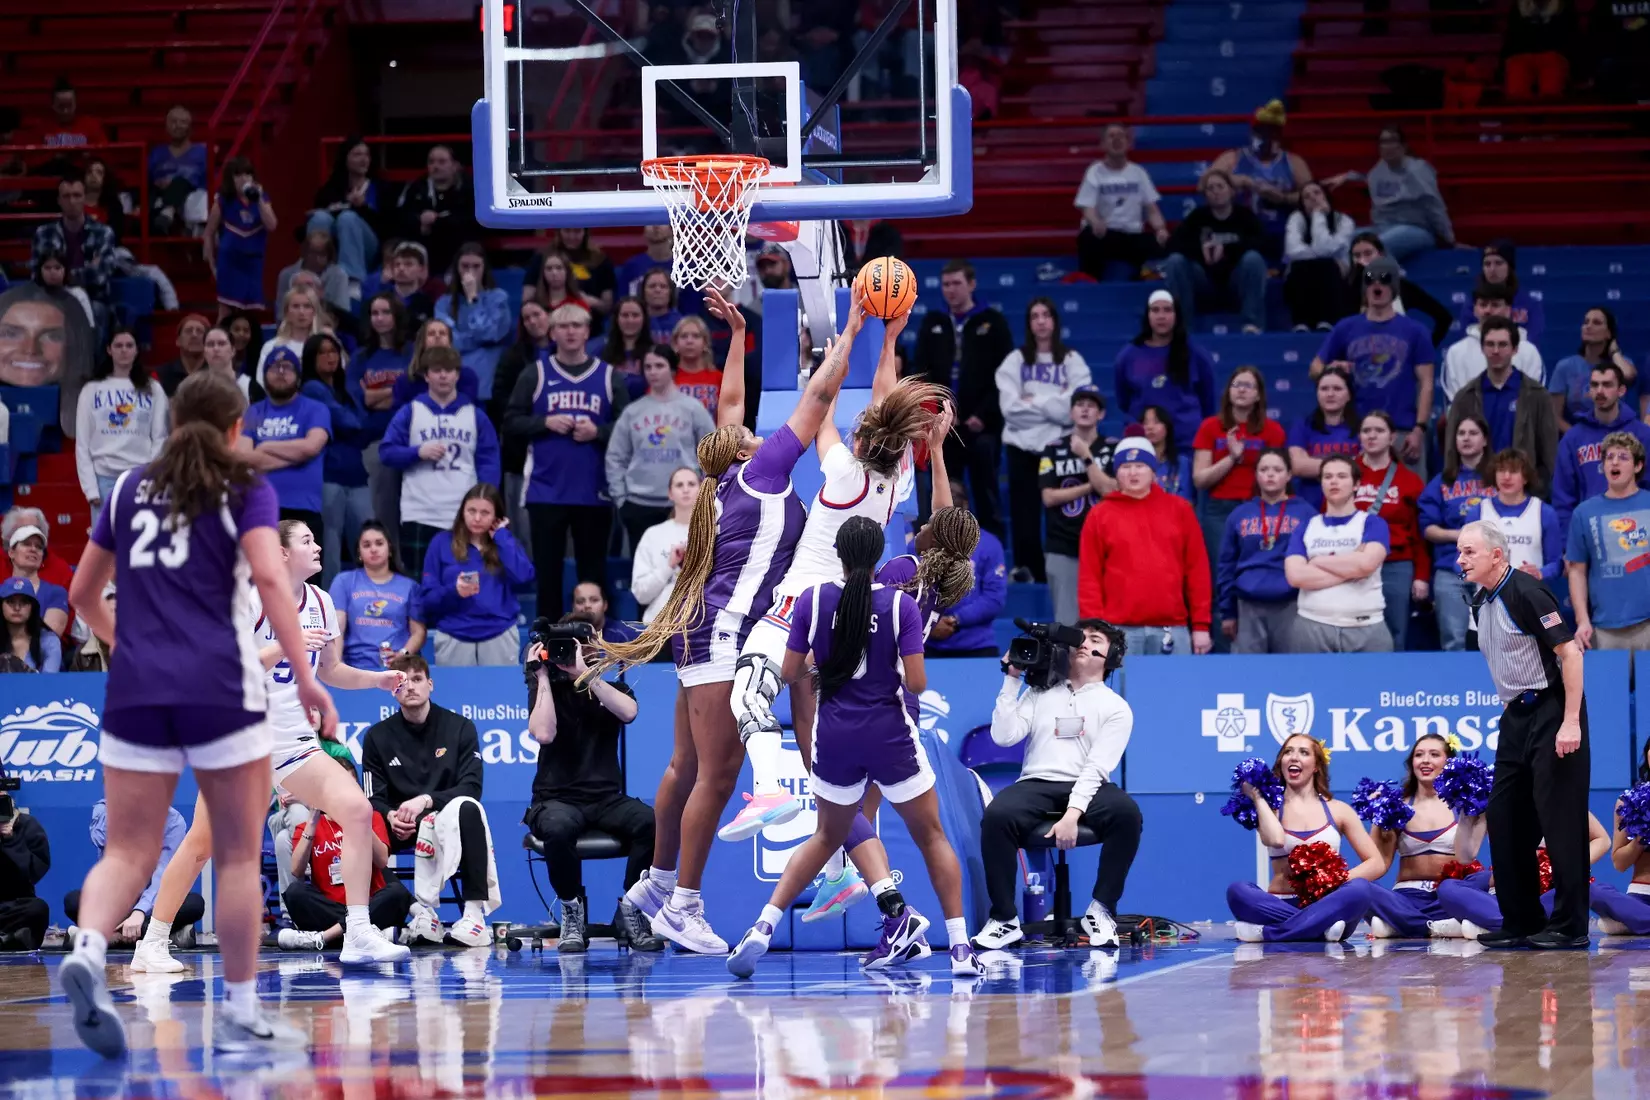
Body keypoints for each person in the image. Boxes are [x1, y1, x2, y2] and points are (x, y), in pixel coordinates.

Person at [58, 372, 338, 1055]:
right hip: (221, 684)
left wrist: (130, 645)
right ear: (236, 428)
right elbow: (274, 581)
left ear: (173, 422)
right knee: (239, 855)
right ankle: (242, 1009)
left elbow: (80, 595)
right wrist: (306, 677)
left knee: (129, 849)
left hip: (137, 686)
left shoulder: (125, 488)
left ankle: (89, 953)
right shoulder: (247, 487)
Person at [591, 289, 864, 957]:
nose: (753, 429)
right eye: (748, 435)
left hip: (707, 629)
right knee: (717, 774)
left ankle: (655, 886)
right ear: (743, 452)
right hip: (723, 632)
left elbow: (729, 411)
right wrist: (852, 329)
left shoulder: (724, 482)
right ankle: (684, 905)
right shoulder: (764, 474)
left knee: (686, 766)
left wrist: (739, 335)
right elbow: (816, 403)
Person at [719, 316, 943, 925]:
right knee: (826, 772)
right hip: (843, 627)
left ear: (866, 442)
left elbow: (819, 415)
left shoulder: (844, 475)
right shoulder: (897, 477)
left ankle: (767, 786)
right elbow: (883, 403)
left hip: (802, 607)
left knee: (747, 694)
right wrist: (890, 342)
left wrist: (850, 335)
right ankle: (850, 877)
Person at [724, 516, 985, 979]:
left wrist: (828, 663)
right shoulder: (902, 605)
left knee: (827, 836)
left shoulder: (813, 599)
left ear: (838, 554)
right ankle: (961, 949)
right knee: (932, 837)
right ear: (879, 555)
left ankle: (762, 928)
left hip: (836, 735)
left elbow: (789, 674)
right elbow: (918, 683)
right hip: (890, 732)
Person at [1455, 520, 1591, 949]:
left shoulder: (1528, 593)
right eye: (1459, 552)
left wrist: (1570, 722)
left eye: (1469, 552)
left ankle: (1571, 927)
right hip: (1516, 716)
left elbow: (1570, 654)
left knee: (1560, 820)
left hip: (1553, 711)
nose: (1460, 560)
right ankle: (1522, 920)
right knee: (1504, 816)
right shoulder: (1479, 601)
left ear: (1497, 555)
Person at [975, 619, 1139, 950]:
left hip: (1088, 786)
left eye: (1095, 639)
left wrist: (1071, 815)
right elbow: (1003, 736)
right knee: (997, 816)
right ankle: (1005, 918)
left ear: (1111, 656)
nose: (1083, 642)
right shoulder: (1039, 693)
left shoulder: (1116, 707)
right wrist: (1012, 678)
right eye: (1080, 636)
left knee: (1127, 815)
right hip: (1036, 782)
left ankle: (1101, 909)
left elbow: (1096, 768)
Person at [525, 619, 663, 953]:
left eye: (581, 647)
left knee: (652, 821)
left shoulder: (611, 686)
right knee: (557, 828)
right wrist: (541, 677)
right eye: (567, 647)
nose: (572, 653)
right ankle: (572, 911)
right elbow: (544, 734)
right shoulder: (545, 688)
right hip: (555, 798)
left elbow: (628, 713)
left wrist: (585, 673)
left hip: (605, 798)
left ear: (594, 650)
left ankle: (631, 906)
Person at [361, 653, 498, 945]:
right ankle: (418, 912)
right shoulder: (376, 737)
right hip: (398, 824)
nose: (409, 686)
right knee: (361, 829)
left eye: (417, 679)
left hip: (444, 817)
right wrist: (389, 816)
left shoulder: (460, 727)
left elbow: (472, 787)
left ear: (430, 684)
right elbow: (372, 797)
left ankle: (474, 916)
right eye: (401, 681)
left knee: (470, 809)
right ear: (391, 688)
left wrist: (425, 801)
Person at [506, 303, 631, 623]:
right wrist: (544, 422)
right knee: (548, 573)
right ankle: (547, 641)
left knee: (593, 572)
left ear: (588, 331)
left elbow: (627, 426)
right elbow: (510, 421)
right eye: (564, 326)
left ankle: (599, 640)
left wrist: (598, 431)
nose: (571, 331)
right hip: (546, 490)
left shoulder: (607, 376)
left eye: (577, 325)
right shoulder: (535, 373)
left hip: (594, 490)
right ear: (553, 333)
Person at [1226, 735, 1382, 942]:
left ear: (1317, 765)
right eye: (1288, 752)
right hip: (1281, 904)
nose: (1293, 757)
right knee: (1237, 891)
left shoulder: (1339, 811)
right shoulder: (1270, 808)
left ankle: (1268, 933)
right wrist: (1257, 798)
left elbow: (1376, 862)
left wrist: (1333, 882)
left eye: (1303, 752)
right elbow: (1275, 840)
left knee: (1360, 890)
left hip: (1328, 905)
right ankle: (1319, 928)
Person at [1078, 436, 1212, 656]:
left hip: (1172, 627)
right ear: (1116, 473)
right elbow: (1089, 577)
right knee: (1120, 692)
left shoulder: (1180, 511)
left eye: (1140, 466)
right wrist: (1094, 629)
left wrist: (1201, 625)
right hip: (1116, 630)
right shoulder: (1099, 515)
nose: (1133, 473)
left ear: (1153, 471)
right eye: (1126, 466)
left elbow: (1197, 571)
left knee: (1175, 691)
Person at [908, 260, 1014, 533]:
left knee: (985, 495)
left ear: (971, 284)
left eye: (956, 283)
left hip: (982, 427)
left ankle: (993, 555)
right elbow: (921, 373)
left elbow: (1006, 375)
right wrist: (936, 414)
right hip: (944, 426)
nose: (950, 290)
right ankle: (943, 553)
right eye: (946, 284)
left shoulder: (993, 322)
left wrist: (984, 414)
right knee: (946, 494)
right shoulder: (934, 322)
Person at [278, 739, 412, 950]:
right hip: (329, 907)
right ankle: (368, 934)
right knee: (295, 894)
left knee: (397, 894)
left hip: (366, 905)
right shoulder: (308, 825)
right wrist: (313, 822)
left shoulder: (373, 817)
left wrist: (359, 818)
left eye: (349, 786)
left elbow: (382, 859)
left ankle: (326, 937)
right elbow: (296, 870)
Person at [380, 345, 501, 576]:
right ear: (426, 375)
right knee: (420, 582)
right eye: (437, 370)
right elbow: (386, 452)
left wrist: (485, 504)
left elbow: (489, 463)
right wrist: (417, 452)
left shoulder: (475, 415)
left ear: (457, 374)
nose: (443, 375)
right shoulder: (410, 412)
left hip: (463, 514)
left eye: (449, 370)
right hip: (419, 511)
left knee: (465, 582)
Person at [1311, 257, 1437, 473]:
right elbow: (1314, 369)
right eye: (1370, 279)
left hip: (1402, 431)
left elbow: (1426, 383)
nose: (1376, 284)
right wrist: (1333, 369)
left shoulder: (1416, 331)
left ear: (1394, 288)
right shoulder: (1346, 328)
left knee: (1410, 502)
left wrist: (1419, 430)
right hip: (1356, 431)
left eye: (1385, 278)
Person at [997, 297, 1091, 583]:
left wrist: (1034, 400)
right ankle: (1028, 570)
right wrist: (1056, 403)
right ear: (1028, 323)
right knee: (1023, 512)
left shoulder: (1072, 360)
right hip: (1021, 447)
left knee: (1061, 511)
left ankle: (1060, 569)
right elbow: (1010, 410)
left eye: (1045, 315)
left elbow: (1074, 408)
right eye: (1034, 316)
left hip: (1059, 448)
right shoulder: (1015, 360)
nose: (1040, 321)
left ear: (1054, 320)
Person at [1355, 734, 1479, 938]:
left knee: (1490, 884)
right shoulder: (1396, 805)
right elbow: (1380, 864)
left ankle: (1400, 926)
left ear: (1449, 761)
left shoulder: (1465, 804)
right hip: (1407, 897)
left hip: (1450, 897)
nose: (1425, 760)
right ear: (1412, 763)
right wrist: (1379, 818)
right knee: (1361, 889)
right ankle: (1439, 927)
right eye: (1419, 755)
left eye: (1434, 754)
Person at [607, 345, 716, 551]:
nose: (653, 372)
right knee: (644, 571)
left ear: (673, 369)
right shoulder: (633, 411)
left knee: (687, 570)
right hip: (639, 504)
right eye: (648, 367)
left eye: (659, 365)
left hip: (684, 503)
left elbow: (711, 454)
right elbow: (615, 457)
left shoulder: (693, 408)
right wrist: (621, 499)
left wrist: (705, 496)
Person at [1285, 454, 1393, 653]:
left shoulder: (1372, 523)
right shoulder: (1306, 527)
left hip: (1367, 627)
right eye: (1327, 477)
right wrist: (1352, 566)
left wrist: (1316, 561)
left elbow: (1366, 565)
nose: (1334, 481)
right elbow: (1296, 576)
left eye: (1341, 476)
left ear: (1356, 484)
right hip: (1312, 625)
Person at [416, 483, 533, 666]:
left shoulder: (505, 542)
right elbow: (426, 600)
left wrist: (502, 537)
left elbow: (524, 577)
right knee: (454, 695)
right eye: (471, 511)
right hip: (454, 634)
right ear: (462, 511)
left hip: (499, 633)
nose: (477, 518)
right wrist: (454, 591)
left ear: (497, 516)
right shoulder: (441, 543)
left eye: (485, 513)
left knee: (500, 695)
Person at [63, 798, 204, 947]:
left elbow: (162, 875)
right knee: (74, 901)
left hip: (155, 902)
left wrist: (140, 911)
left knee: (194, 904)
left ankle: (108, 936)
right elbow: (100, 839)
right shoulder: (103, 809)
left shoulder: (173, 821)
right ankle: (165, 936)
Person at [1443, 317, 1558, 494]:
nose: (1495, 351)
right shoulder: (1465, 397)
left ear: (1515, 349)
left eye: (1503, 344)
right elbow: (1451, 452)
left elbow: (1549, 453)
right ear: (1482, 348)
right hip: (1476, 492)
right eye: (1490, 344)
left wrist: (1537, 491)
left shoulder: (1537, 395)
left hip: (1524, 493)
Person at [1218, 449, 1315, 654]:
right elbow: (1226, 565)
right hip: (1248, 605)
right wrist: (1228, 612)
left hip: (1292, 604)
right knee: (1248, 675)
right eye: (1264, 469)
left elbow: (1316, 561)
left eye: (1277, 469)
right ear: (1256, 474)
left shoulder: (1306, 512)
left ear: (1289, 475)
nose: (1270, 475)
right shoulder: (1240, 514)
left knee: (1291, 672)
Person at [1193, 366, 1286, 575]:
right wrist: (1232, 457)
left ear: (1258, 395)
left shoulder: (1273, 431)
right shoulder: (1210, 427)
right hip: (1219, 511)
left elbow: (1279, 476)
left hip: (1258, 508)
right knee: (1222, 574)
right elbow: (1200, 479)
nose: (1241, 390)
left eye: (1248, 386)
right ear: (1228, 391)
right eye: (1236, 385)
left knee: (1255, 571)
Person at [1565, 432, 1650, 651]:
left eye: (1623, 457)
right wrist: (1582, 620)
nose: (1614, 461)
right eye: (1610, 457)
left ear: (1638, 466)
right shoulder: (1584, 513)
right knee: (1609, 686)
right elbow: (1576, 571)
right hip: (1605, 627)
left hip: (1648, 621)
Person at [1350, 412, 1428, 649]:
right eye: (1366, 430)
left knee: (1396, 631)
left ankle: (1392, 686)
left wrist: (1421, 576)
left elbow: (1418, 534)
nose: (1372, 435)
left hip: (1396, 564)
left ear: (1392, 437)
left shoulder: (1410, 481)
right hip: (1353, 565)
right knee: (1354, 629)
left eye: (1379, 430)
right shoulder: (1343, 474)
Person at [238, 347, 331, 543]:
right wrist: (297, 456)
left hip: (304, 510)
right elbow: (245, 458)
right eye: (274, 367)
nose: (281, 372)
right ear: (264, 376)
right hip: (260, 509)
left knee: (304, 574)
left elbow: (311, 447)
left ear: (298, 377)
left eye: (288, 368)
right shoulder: (254, 412)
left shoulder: (316, 409)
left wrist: (264, 447)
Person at [1040, 386, 1115, 625]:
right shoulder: (1052, 449)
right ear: (1071, 412)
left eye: (1091, 405)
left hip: (1108, 545)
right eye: (1079, 404)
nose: (1085, 409)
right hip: (1063, 543)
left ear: (1101, 414)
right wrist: (1091, 485)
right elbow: (1049, 497)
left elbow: (1113, 490)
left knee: (1106, 622)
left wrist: (1086, 456)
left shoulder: (1113, 448)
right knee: (1067, 622)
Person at [1161, 169, 1269, 334]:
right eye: (1210, 188)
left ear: (1231, 191)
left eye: (1220, 186)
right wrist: (1201, 250)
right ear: (1205, 195)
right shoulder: (1197, 217)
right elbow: (1172, 244)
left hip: (1236, 285)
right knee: (1175, 261)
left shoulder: (1245, 216)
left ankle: (1252, 325)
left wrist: (1226, 250)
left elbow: (1263, 243)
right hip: (1204, 286)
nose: (1216, 191)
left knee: (1253, 259)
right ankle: (1181, 327)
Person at [76, 328, 169, 519]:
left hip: (139, 477)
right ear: (109, 350)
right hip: (103, 479)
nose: (124, 350)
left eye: (129, 345)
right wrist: (90, 489)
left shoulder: (153, 389)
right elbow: (83, 443)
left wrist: (149, 476)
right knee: (104, 546)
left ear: (136, 350)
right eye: (118, 345)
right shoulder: (91, 389)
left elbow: (160, 437)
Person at [1420, 416, 1492, 651]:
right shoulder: (1442, 482)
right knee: (1453, 641)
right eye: (1461, 433)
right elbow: (1428, 529)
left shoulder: (1499, 478)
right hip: (1452, 570)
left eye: (1473, 433)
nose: (1466, 438)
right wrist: (1461, 536)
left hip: (1492, 570)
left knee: (1496, 642)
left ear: (1485, 440)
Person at [1209, 99, 1313, 262]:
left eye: (1273, 133)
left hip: (1282, 232)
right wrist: (1236, 180)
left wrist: (1283, 198)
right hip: (1242, 231)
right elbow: (1204, 184)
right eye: (1263, 133)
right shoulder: (1233, 159)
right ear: (1253, 134)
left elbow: (1313, 198)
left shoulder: (1294, 162)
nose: (1268, 138)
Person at [1113, 291, 1217, 453]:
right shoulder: (1128, 355)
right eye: (1155, 310)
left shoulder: (1196, 354)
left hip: (1186, 443)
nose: (1161, 316)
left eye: (1167, 310)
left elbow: (1208, 401)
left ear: (1177, 315)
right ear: (1147, 315)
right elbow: (1123, 400)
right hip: (1143, 444)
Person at [1552, 364, 1650, 532]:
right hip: (1589, 532)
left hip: (1634, 532)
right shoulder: (1573, 438)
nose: (1600, 391)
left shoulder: (1642, 435)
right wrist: (1568, 543)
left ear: (1621, 391)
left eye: (1607, 385)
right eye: (1595, 385)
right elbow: (1563, 498)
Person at [1073, 123, 1169, 281]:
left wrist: (1160, 229)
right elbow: (1087, 207)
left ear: (1128, 143)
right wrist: (1096, 221)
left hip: (1132, 236)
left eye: (1121, 136)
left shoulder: (1138, 172)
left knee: (1165, 243)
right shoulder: (1094, 171)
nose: (1116, 139)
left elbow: (1151, 208)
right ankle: (1090, 284)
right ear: (1102, 144)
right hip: (1106, 234)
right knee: (1087, 238)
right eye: (1111, 136)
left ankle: (1141, 278)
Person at [491, 301, 552, 547]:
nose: (532, 322)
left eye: (537, 314)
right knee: (520, 518)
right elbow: (500, 401)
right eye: (526, 318)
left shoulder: (568, 354)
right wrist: (534, 420)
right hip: (521, 448)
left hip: (560, 448)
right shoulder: (513, 356)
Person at [330, 521, 426, 668]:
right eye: (367, 545)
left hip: (398, 669)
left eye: (379, 543)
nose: (373, 549)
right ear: (359, 553)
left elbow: (418, 632)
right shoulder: (344, 581)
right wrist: (337, 667)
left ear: (390, 549)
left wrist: (403, 654)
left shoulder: (409, 587)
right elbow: (336, 627)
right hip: (356, 667)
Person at [1351, 126, 1454, 262]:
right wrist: (1349, 176)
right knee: (1346, 240)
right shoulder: (1377, 170)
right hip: (1382, 227)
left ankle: (1385, 279)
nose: (1387, 146)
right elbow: (1367, 178)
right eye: (1383, 142)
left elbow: (1434, 205)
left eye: (1392, 141)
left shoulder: (1418, 169)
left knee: (1375, 246)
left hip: (1416, 229)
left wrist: (1449, 239)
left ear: (1403, 146)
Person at [1343, 231, 1455, 345]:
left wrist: (1424, 350)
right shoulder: (1347, 290)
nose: (1362, 260)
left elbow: (1444, 318)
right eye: (1357, 256)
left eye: (1368, 253)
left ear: (1380, 254)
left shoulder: (1402, 287)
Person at [1440, 283, 1545, 404]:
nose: (1488, 311)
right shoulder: (1456, 352)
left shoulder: (1528, 351)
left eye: (1495, 305)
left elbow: (1534, 402)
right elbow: (1455, 402)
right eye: (1483, 305)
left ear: (1508, 309)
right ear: (1475, 309)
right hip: (1469, 421)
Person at [434, 243, 512, 401]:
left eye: (476, 266)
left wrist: (473, 299)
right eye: (465, 266)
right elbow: (449, 342)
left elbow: (489, 334)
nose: (470, 272)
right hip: (453, 376)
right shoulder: (443, 303)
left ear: (485, 268)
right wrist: (478, 341)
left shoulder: (499, 298)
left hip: (487, 381)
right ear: (457, 268)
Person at [306, 137, 388, 287]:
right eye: (357, 154)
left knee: (348, 218)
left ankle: (351, 281)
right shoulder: (331, 189)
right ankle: (312, 274)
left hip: (369, 249)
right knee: (320, 218)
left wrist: (362, 207)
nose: (364, 159)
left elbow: (386, 226)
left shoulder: (381, 188)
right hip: (335, 248)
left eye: (367, 155)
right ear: (345, 158)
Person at [31, 170, 117, 308]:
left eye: (77, 195)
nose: (72, 201)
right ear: (59, 200)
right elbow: (37, 276)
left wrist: (60, 275)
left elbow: (100, 275)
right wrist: (86, 271)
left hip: (93, 300)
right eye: (66, 196)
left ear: (84, 198)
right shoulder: (44, 233)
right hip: (54, 300)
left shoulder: (103, 233)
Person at [1479, 447, 1563, 587]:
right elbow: (1460, 560)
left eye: (1513, 471)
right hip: (1488, 601)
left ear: (1525, 477)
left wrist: (1540, 573)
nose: (1506, 477)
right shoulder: (1478, 512)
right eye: (1501, 470)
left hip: (1529, 601)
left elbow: (1556, 563)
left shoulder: (1544, 513)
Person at [925, 514, 1006, 658]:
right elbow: (908, 593)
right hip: (927, 645)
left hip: (978, 647)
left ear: (966, 503)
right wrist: (927, 623)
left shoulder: (989, 544)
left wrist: (957, 619)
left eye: (956, 495)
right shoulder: (921, 542)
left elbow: (994, 598)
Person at [204, 157, 276, 317]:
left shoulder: (262, 199)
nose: (244, 179)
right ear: (230, 178)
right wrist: (211, 263)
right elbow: (209, 232)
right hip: (229, 262)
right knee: (226, 312)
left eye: (248, 174)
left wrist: (258, 200)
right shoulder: (222, 201)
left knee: (252, 313)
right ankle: (218, 341)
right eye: (238, 175)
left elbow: (272, 225)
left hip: (253, 262)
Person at [1590, 742, 1650, 935]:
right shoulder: (1630, 802)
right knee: (1589, 889)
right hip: (1641, 896)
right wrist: (1642, 835)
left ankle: (1631, 923)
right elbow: (1620, 864)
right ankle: (1634, 920)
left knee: (1614, 925)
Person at [1548, 307, 1638, 434]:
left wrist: (1615, 351)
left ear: (1609, 333)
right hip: (1577, 439)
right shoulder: (1565, 366)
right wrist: (1579, 437)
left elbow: (1629, 376)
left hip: (1616, 439)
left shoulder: (1620, 363)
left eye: (1596, 323)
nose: (1588, 326)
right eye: (1586, 322)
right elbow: (1554, 416)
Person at [393, 144, 480, 275]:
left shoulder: (469, 188)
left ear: (455, 165)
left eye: (442, 162)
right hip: (423, 243)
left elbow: (473, 221)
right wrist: (420, 222)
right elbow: (400, 217)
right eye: (431, 162)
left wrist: (437, 221)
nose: (435, 166)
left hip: (457, 244)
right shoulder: (416, 187)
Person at [1282, 180, 1356, 332]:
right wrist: (1321, 254)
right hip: (1300, 272)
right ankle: (1301, 322)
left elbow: (1324, 248)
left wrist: (1318, 216)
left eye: (1317, 193)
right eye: (1306, 196)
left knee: (1326, 266)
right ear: (1302, 203)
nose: (1313, 198)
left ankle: (1327, 320)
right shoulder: (1296, 218)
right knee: (1302, 266)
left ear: (1326, 196)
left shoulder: (1344, 221)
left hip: (1335, 274)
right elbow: (1293, 251)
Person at [631, 468, 699, 624]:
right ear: (670, 493)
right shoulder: (653, 535)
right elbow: (640, 594)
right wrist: (669, 566)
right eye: (679, 485)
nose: (686, 489)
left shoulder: (715, 531)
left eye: (691, 484)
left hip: (701, 625)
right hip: (659, 626)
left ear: (701, 489)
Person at [1287, 366, 1359, 510]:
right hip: (1309, 507)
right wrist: (1346, 466)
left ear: (1349, 395)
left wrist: (1313, 465)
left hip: (1351, 508)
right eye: (1324, 389)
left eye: (1337, 389)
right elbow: (1297, 466)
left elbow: (1364, 468)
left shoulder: (1362, 428)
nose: (1330, 394)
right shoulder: (1303, 425)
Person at [1461, 240, 1545, 345]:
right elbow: (1467, 339)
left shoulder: (1529, 304)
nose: (1492, 269)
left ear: (1509, 267)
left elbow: (1532, 341)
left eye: (1498, 263)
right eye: (1487, 264)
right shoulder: (1473, 303)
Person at [0, 781, 50, 950]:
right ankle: (10, 939)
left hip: (16, 904)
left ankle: (10, 939)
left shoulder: (28, 825)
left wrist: (10, 840)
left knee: (38, 909)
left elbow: (31, 873)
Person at [148, 105, 208, 235]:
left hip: (192, 200)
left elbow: (207, 183)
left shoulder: (203, 152)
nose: (178, 126)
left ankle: (170, 213)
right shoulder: (157, 153)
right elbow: (148, 180)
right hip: (160, 198)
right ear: (166, 126)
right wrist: (159, 184)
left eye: (183, 122)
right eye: (173, 121)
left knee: (181, 182)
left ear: (191, 127)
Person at [254, 286, 330, 388]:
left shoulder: (327, 346)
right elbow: (261, 385)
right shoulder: (271, 347)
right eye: (296, 306)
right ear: (287, 312)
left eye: (307, 306)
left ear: (314, 312)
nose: (301, 312)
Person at [5, 523, 70, 638]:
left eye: (39, 547)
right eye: (26, 544)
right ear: (11, 553)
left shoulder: (56, 592)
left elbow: (50, 636)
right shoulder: (2, 591)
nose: (33, 549)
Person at [277, 232, 351, 322]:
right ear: (304, 253)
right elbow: (281, 315)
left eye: (322, 254)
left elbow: (343, 315)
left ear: (330, 256)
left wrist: (321, 301)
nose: (316, 258)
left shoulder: (339, 275)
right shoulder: (286, 275)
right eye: (312, 253)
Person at [590, 295, 653, 396]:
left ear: (644, 319)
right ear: (616, 319)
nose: (630, 320)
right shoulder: (600, 352)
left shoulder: (655, 352)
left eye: (635, 315)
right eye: (625, 315)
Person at [0, 579, 61, 672]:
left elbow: (49, 682)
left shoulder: (49, 640)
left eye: (24, 602)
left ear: (32, 607)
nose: (17, 608)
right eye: (11, 601)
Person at [669, 314, 723, 416]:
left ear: (705, 343)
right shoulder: (666, 378)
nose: (689, 341)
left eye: (696, 336)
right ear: (675, 344)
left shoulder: (719, 378)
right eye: (684, 336)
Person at [1139, 405, 1194, 501]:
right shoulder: (1135, 465)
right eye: (1145, 423)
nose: (1150, 427)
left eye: (1156, 422)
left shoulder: (1182, 463)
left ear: (1167, 427)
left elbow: (1188, 502)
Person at [155, 313, 209, 397]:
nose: (194, 335)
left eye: (200, 331)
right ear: (178, 341)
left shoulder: (216, 373)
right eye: (188, 331)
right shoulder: (161, 374)